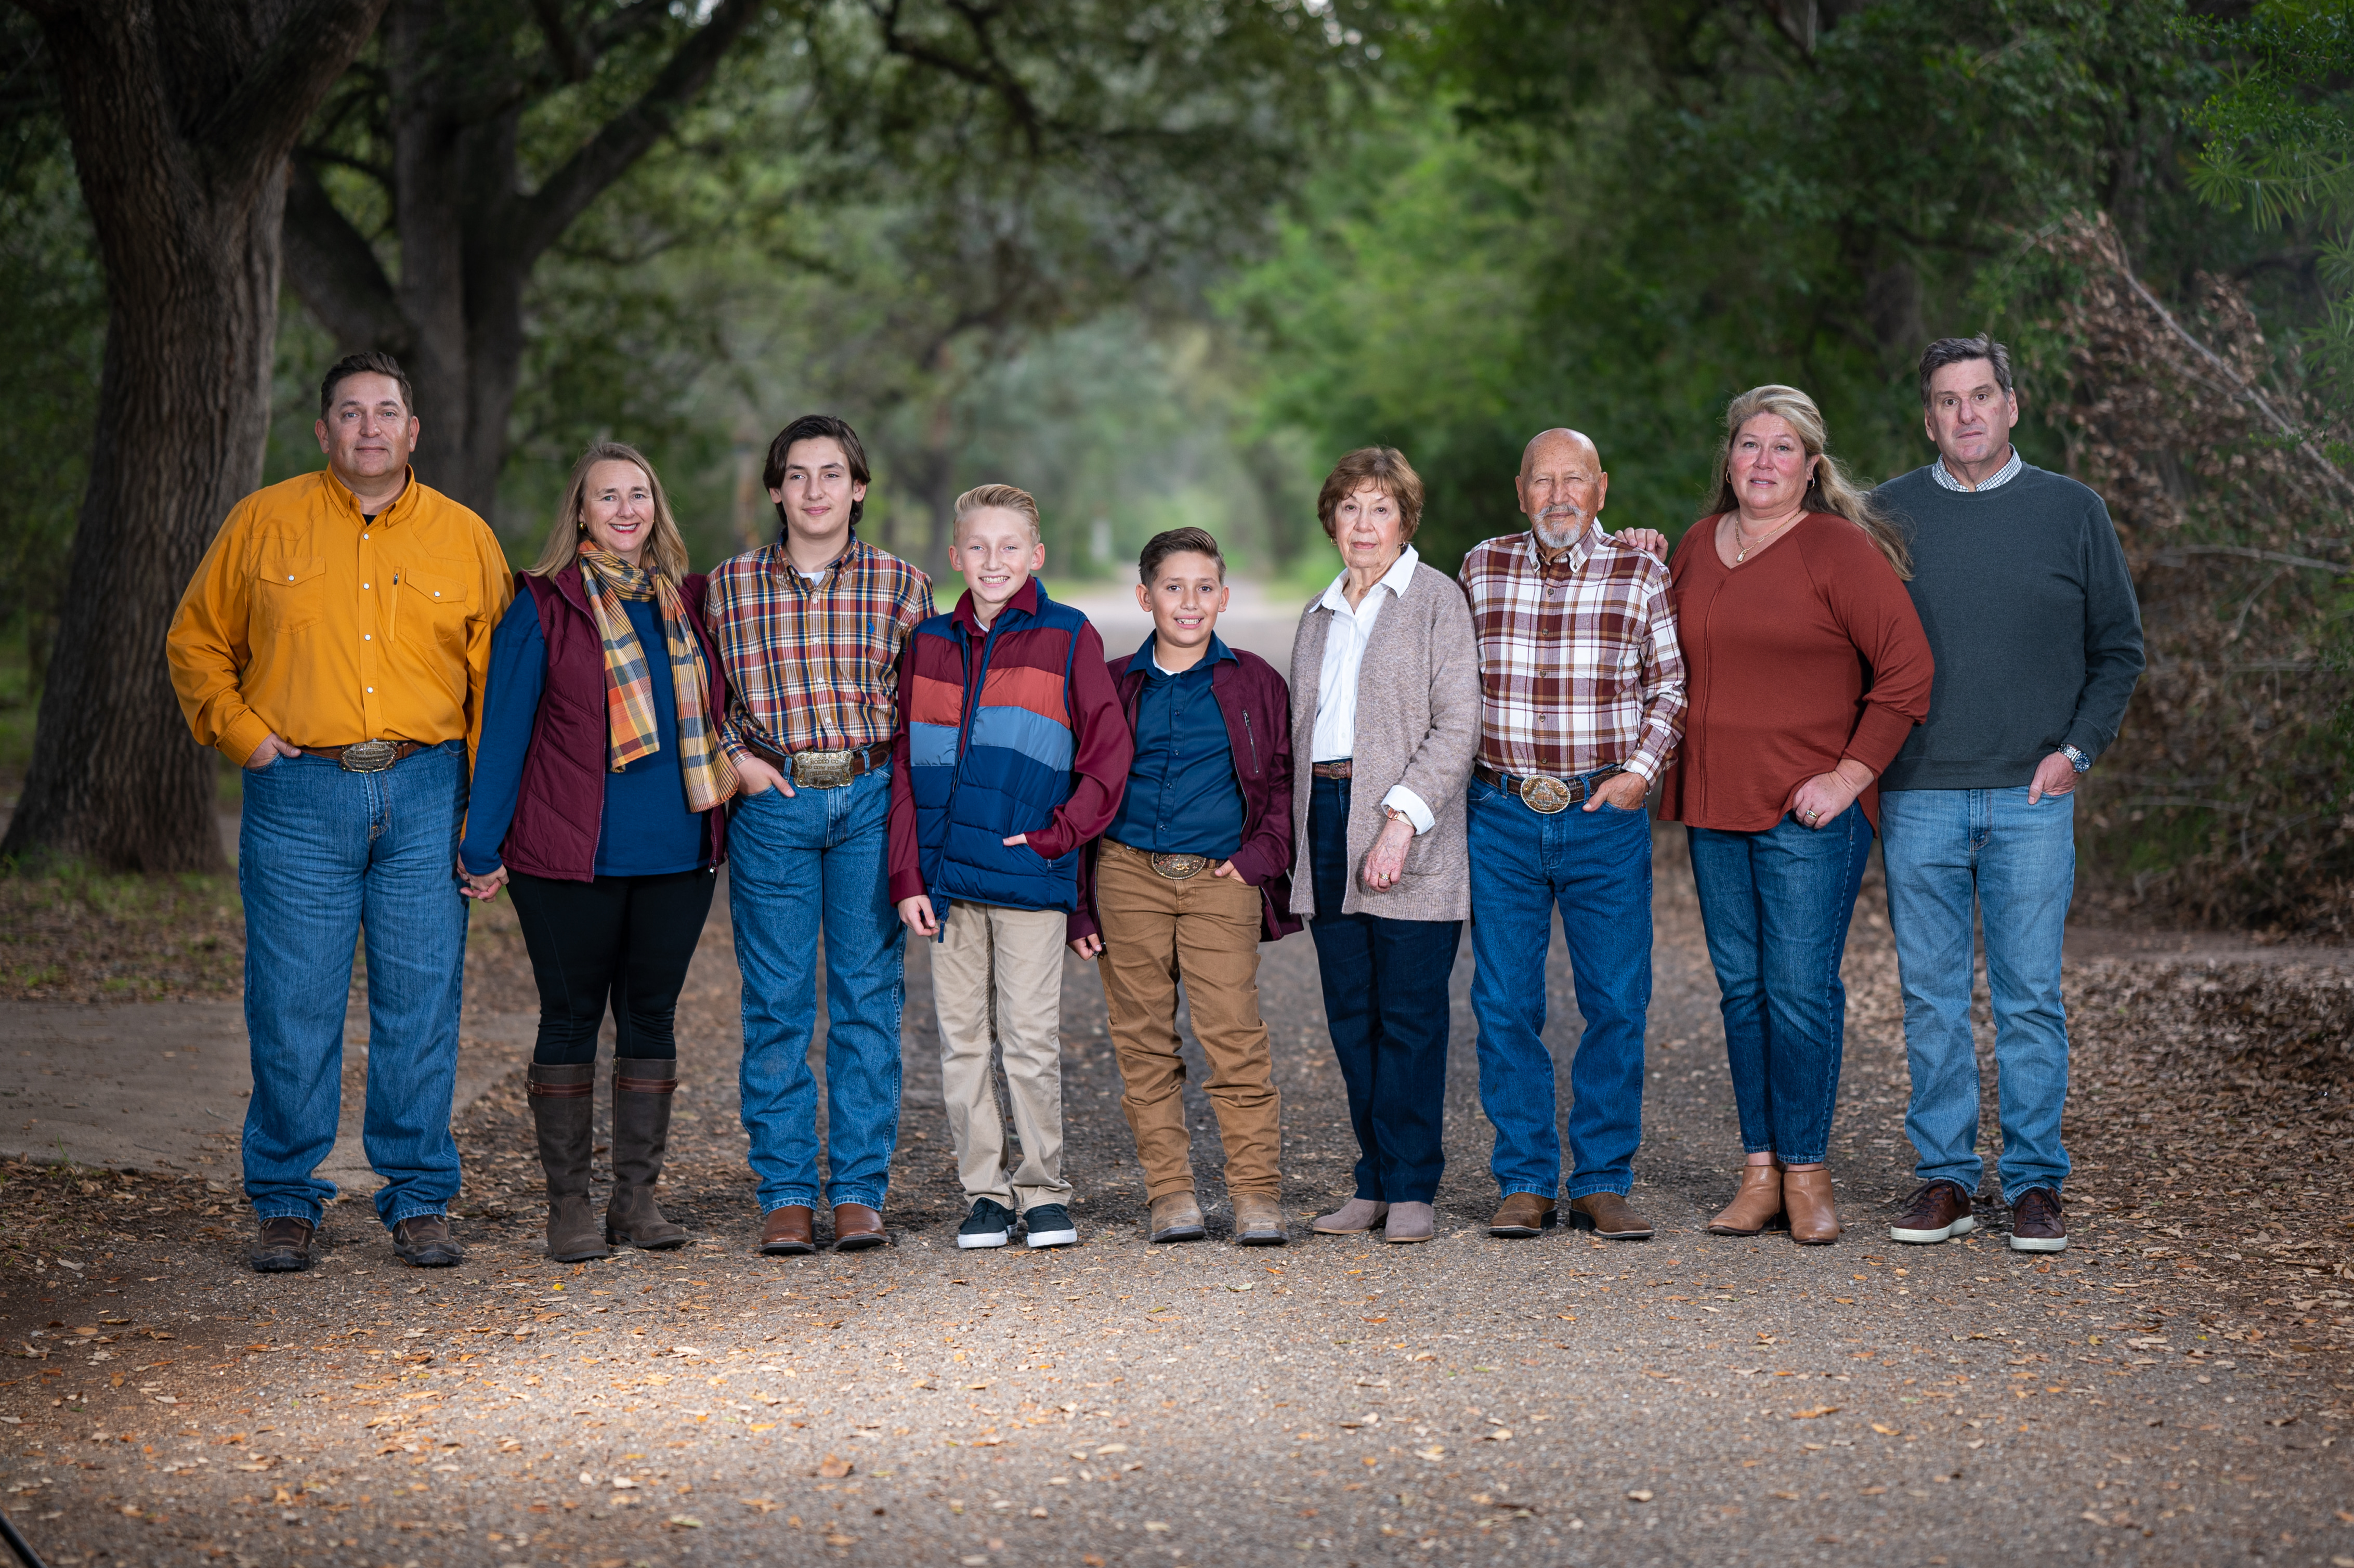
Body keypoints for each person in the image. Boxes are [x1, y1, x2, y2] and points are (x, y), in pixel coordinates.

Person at [167, 351, 513, 1273]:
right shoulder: (263, 523)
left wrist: (488, 817)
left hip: (427, 789)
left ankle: (419, 1197)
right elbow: (197, 641)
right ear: (323, 432)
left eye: (387, 411)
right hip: (298, 794)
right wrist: (246, 738)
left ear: (412, 430)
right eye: (350, 413)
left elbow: (500, 688)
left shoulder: (463, 536)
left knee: (421, 1005)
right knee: (292, 1004)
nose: (370, 427)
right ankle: (286, 1198)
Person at [1875, 336, 2144, 1253]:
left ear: (2013, 405)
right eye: (1948, 402)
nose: (1967, 415)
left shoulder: (2073, 511)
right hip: (1919, 794)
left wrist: (2078, 751)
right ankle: (1946, 1177)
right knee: (1933, 997)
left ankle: (2034, 1185)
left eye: (1982, 395)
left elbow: (2119, 650)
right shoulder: (1886, 515)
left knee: (2030, 998)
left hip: (2034, 795)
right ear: (1929, 419)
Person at [1655, 386, 1934, 1247]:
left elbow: (1908, 671)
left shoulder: (1837, 551)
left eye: (1784, 449)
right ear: (1729, 461)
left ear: (1811, 468)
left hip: (1808, 815)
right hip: (1716, 804)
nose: (1764, 462)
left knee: (1799, 992)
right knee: (1743, 992)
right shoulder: (1698, 547)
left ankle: (1809, 1171)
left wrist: (1850, 776)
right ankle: (1761, 1171)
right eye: (1749, 446)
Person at [457, 442, 736, 1262]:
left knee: (651, 1018)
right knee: (572, 1018)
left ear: (657, 507)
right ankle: (569, 1207)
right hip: (565, 858)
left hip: (679, 853)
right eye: (606, 496)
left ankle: (636, 1201)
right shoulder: (541, 606)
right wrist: (480, 842)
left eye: (638, 495)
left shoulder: (691, 603)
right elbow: (504, 731)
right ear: (580, 511)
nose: (624, 510)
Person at [703, 415, 934, 1255]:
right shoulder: (727, 588)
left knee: (869, 999)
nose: (814, 491)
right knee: (776, 1003)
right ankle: (789, 1191)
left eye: (831, 474)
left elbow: (926, 713)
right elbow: (701, 697)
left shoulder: (904, 587)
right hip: (773, 804)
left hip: (869, 797)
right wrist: (739, 761)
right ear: (775, 491)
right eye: (797, 476)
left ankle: (860, 1192)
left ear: (859, 488)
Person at [1458, 429, 1686, 1243]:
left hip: (1604, 815)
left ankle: (1600, 1180)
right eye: (1543, 481)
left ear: (1601, 489)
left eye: (1575, 480)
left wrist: (1640, 773)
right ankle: (1523, 1179)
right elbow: (1450, 688)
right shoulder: (1481, 569)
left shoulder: (1641, 571)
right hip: (1502, 813)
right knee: (1506, 1003)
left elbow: (1669, 686)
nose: (1559, 496)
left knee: (1617, 1001)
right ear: (1521, 492)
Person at [888, 485, 1131, 1250]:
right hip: (947, 886)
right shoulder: (928, 643)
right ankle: (985, 1195)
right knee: (962, 1044)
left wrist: (1063, 836)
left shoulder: (1068, 636)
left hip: (1030, 879)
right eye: (979, 548)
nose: (994, 562)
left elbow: (1107, 754)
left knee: (1028, 1041)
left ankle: (1044, 1191)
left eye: (1010, 548)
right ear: (955, 556)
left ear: (1037, 556)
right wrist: (907, 877)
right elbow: (903, 766)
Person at [1069, 527, 1301, 1247]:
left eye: (1205, 587)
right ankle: (1170, 1194)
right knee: (1142, 1041)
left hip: (1219, 878)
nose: (1190, 602)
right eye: (1174, 587)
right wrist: (1079, 901)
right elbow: (1077, 789)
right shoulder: (1110, 682)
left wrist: (1262, 854)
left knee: (1233, 1034)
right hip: (1127, 873)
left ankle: (1256, 1194)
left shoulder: (1255, 680)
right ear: (1145, 597)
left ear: (1224, 597)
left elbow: (1284, 779)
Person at [1288, 448, 1481, 1246]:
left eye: (1380, 509)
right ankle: (1371, 1180)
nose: (1363, 525)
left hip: (1408, 826)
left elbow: (1457, 725)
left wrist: (1399, 821)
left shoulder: (1437, 602)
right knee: (1351, 1015)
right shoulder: (1318, 614)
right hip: (1325, 820)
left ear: (1405, 520)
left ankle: (1412, 1186)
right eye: (1350, 508)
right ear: (1331, 520)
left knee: (1409, 1016)